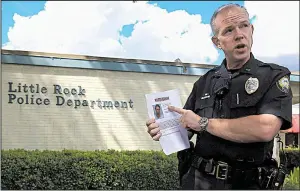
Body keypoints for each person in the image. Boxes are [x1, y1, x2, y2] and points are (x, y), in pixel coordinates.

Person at [146, 3, 292, 190]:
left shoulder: (273, 76)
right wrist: (163, 130)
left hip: (247, 184)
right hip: (198, 181)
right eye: (229, 30)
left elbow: (266, 128)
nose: (239, 34)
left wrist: (204, 123)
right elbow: (186, 128)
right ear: (217, 42)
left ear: (251, 29)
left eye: (244, 26)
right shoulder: (204, 82)